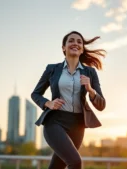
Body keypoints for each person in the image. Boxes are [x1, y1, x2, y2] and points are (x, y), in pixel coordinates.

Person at [31, 31, 106, 169]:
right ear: (63, 48)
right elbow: (35, 94)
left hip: (77, 125)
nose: (75, 43)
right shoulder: (52, 69)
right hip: (55, 122)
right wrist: (48, 103)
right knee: (75, 162)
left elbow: (101, 105)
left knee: (57, 166)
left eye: (79, 42)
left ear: (82, 49)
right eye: (71, 40)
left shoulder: (90, 72)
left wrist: (90, 90)